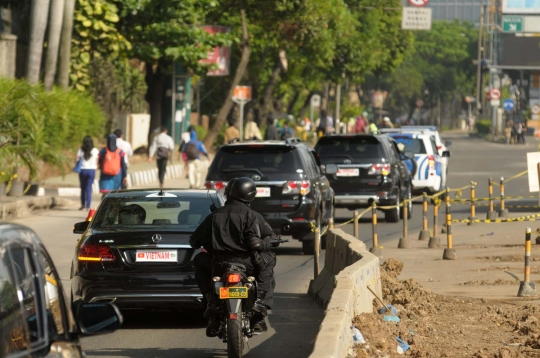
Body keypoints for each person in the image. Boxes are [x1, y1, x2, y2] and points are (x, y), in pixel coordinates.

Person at [190, 178, 277, 337]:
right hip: (248, 264)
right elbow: (268, 238)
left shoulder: (214, 216)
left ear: (228, 193)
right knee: (269, 260)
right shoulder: (253, 216)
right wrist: (265, 243)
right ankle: (260, 302)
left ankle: (210, 300)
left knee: (199, 260)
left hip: (218, 264)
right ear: (251, 195)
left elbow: (194, 242)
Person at [76, 136, 99, 210]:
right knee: (88, 188)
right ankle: (88, 206)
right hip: (92, 171)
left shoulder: (80, 150)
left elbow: (77, 159)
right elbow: (97, 160)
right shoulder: (95, 150)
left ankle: (83, 204)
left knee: (82, 188)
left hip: (83, 170)